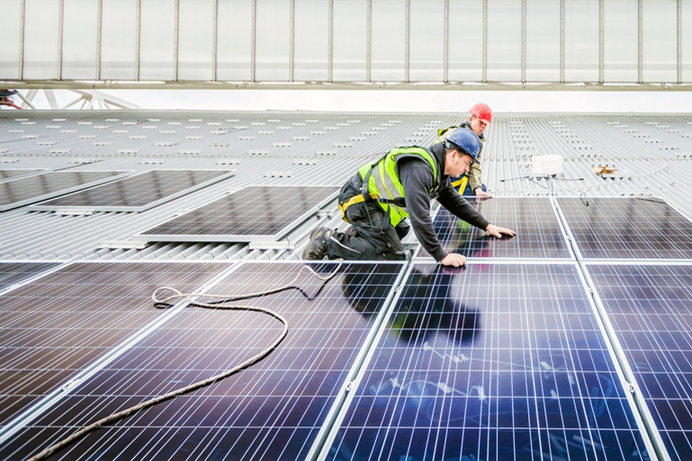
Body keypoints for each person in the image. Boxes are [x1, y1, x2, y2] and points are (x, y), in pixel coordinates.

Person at [302, 129, 515, 267]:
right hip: (359, 200)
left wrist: (486, 226)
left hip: (375, 205)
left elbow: (454, 201)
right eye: (467, 163)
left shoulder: (437, 169)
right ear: (453, 155)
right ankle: (329, 241)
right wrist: (441, 255)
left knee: (400, 230)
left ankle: (360, 235)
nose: (468, 169)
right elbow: (420, 216)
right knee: (391, 257)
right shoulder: (420, 169)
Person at [438, 103, 493, 198]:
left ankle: (469, 212)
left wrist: (477, 188)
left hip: (458, 174)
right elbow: (438, 153)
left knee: (479, 190)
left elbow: (474, 166)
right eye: (480, 122)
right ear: (470, 120)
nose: (483, 127)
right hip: (444, 173)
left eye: (485, 125)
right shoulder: (453, 133)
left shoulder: (478, 143)